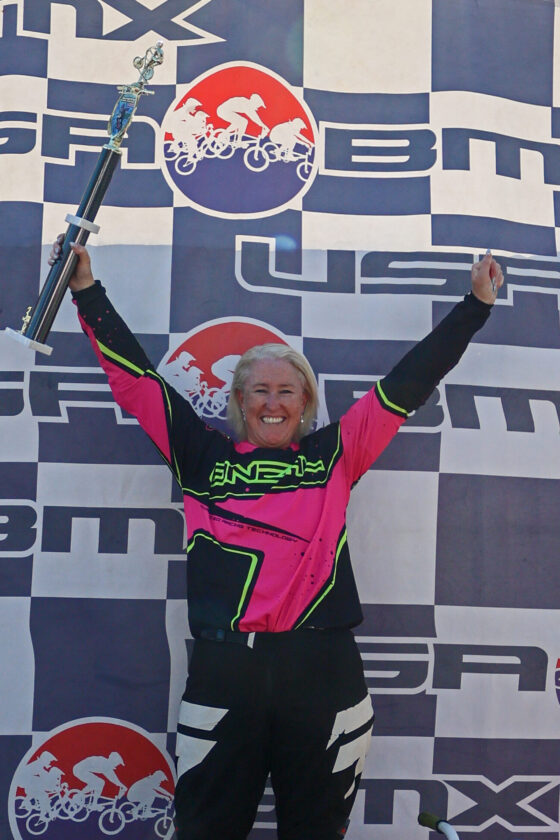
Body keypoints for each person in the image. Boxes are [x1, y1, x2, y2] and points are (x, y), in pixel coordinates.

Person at [49, 236, 504, 840]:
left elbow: (409, 380)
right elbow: (137, 382)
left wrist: (475, 306)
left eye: (286, 390)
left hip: (323, 673)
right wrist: (85, 289)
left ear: (305, 402)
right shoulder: (200, 455)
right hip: (225, 671)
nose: (272, 402)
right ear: (238, 400)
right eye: (258, 390)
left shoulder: (336, 453)